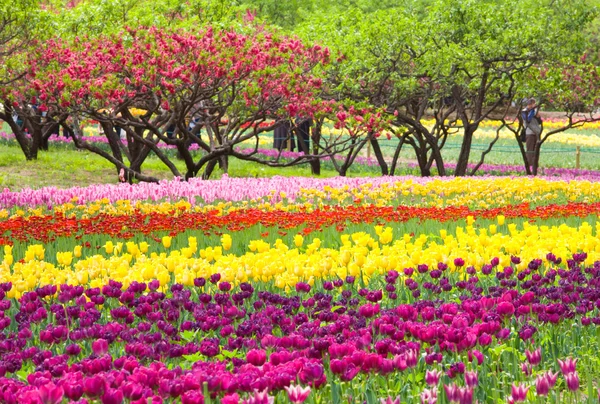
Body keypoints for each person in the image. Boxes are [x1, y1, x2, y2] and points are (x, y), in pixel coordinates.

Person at [521, 98, 542, 168]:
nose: (533, 105)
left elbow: (540, 122)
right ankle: (529, 166)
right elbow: (528, 119)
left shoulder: (536, 111)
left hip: (537, 133)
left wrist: (538, 117)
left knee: (536, 150)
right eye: (532, 103)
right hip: (529, 133)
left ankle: (535, 165)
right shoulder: (524, 111)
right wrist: (532, 111)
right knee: (530, 150)